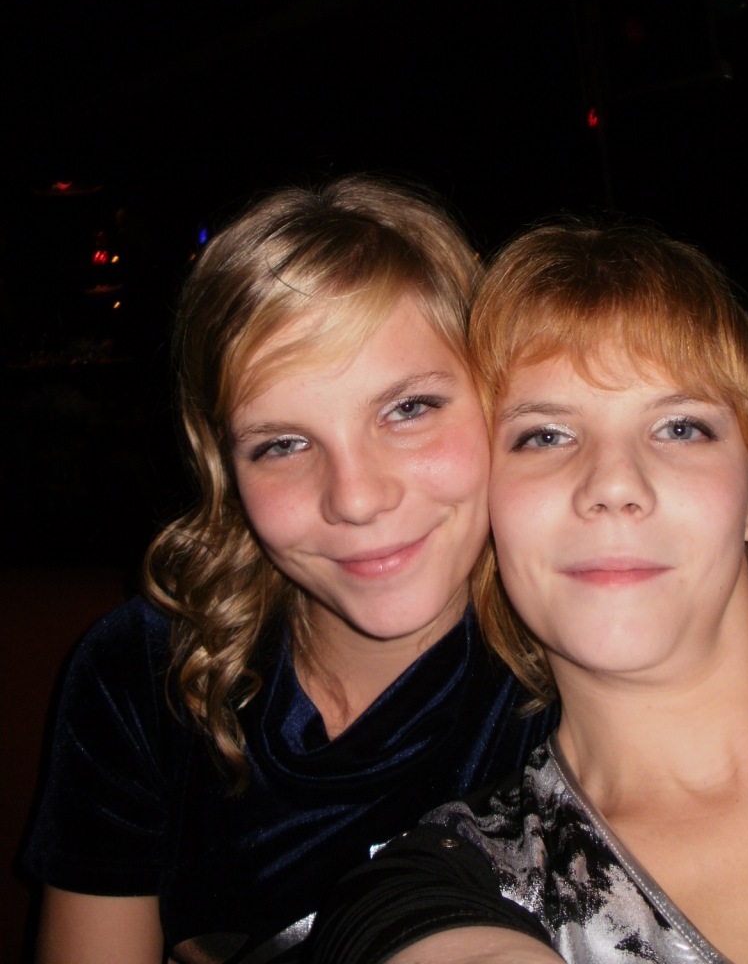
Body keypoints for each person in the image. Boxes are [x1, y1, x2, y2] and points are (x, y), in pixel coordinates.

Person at [24, 176, 557, 964]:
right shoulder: (144, 673)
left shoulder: (578, 674)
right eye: (282, 443)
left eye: (408, 409)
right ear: (223, 468)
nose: (357, 498)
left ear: (497, 398)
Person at [308, 220, 748, 964]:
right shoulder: (447, 883)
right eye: (545, 436)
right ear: (488, 510)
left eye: (680, 428)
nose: (612, 483)